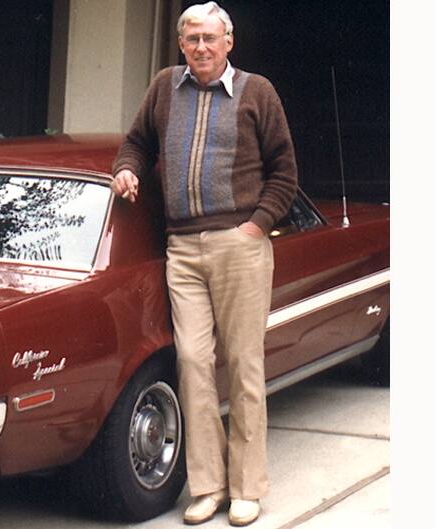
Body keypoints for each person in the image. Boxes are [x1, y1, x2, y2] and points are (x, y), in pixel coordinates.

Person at [111, 2, 298, 525]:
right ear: (181, 43)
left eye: (210, 38)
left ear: (229, 42)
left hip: (239, 245)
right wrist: (126, 169)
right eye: (191, 38)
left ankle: (247, 488)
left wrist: (254, 226)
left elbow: (284, 171)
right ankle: (209, 486)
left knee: (243, 365)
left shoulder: (257, 92)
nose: (201, 47)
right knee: (193, 364)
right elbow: (135, 143)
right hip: (183, 250)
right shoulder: (165, 88)